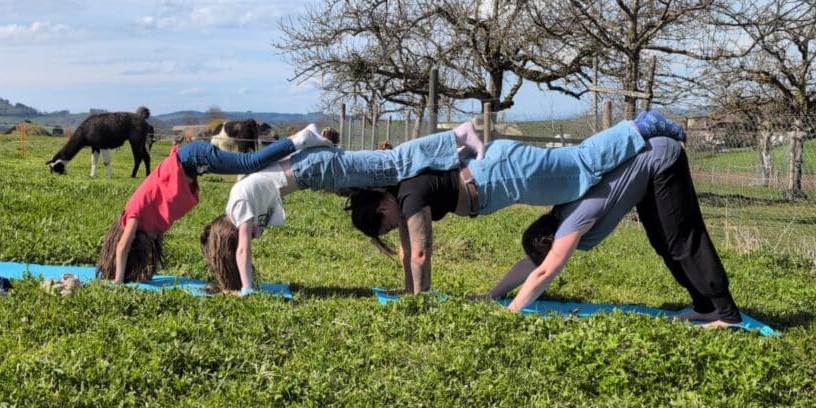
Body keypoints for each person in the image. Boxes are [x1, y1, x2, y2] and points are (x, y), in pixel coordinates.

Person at [345, 110, 688, 293]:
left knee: (578, 166)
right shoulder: (404, 195)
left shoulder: (410, 194)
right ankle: (635, 151)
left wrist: (419, 301)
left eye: (387, 223)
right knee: (576, 173)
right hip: (498, 177)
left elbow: (420, 252)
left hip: (503, 174)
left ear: (381, 205)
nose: (394, 227)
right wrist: (411, 292)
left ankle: (640, 127)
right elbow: (408, 251)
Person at [201, 122, 487, 293]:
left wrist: (248, 290)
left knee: (394, 163)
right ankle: (453, 154)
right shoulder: (240, 199)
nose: (249, 237)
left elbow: (242, 250)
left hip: (317, 170)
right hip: (315, 169)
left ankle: (458, 135)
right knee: (395, 169)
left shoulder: (238, 205)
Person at [489, 136, 743, 327]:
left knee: (683, 242)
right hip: (648, 171)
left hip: (663, 158)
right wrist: (491, 295)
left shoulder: (571, 223)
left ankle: (728, 314)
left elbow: (544, 270)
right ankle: (705, 307)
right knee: (663, 243)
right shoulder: (557, 218)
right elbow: (532, 264)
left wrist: (511, 313)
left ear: (551, 241)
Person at [95, 124, 333, 282]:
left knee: (248, 163)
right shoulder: (147, 223)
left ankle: (303, 137)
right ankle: (300, 150)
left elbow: (122, 247)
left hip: (193, 158)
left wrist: (117, 282)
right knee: (252, 167)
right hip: (192, 163)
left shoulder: (134, 214)